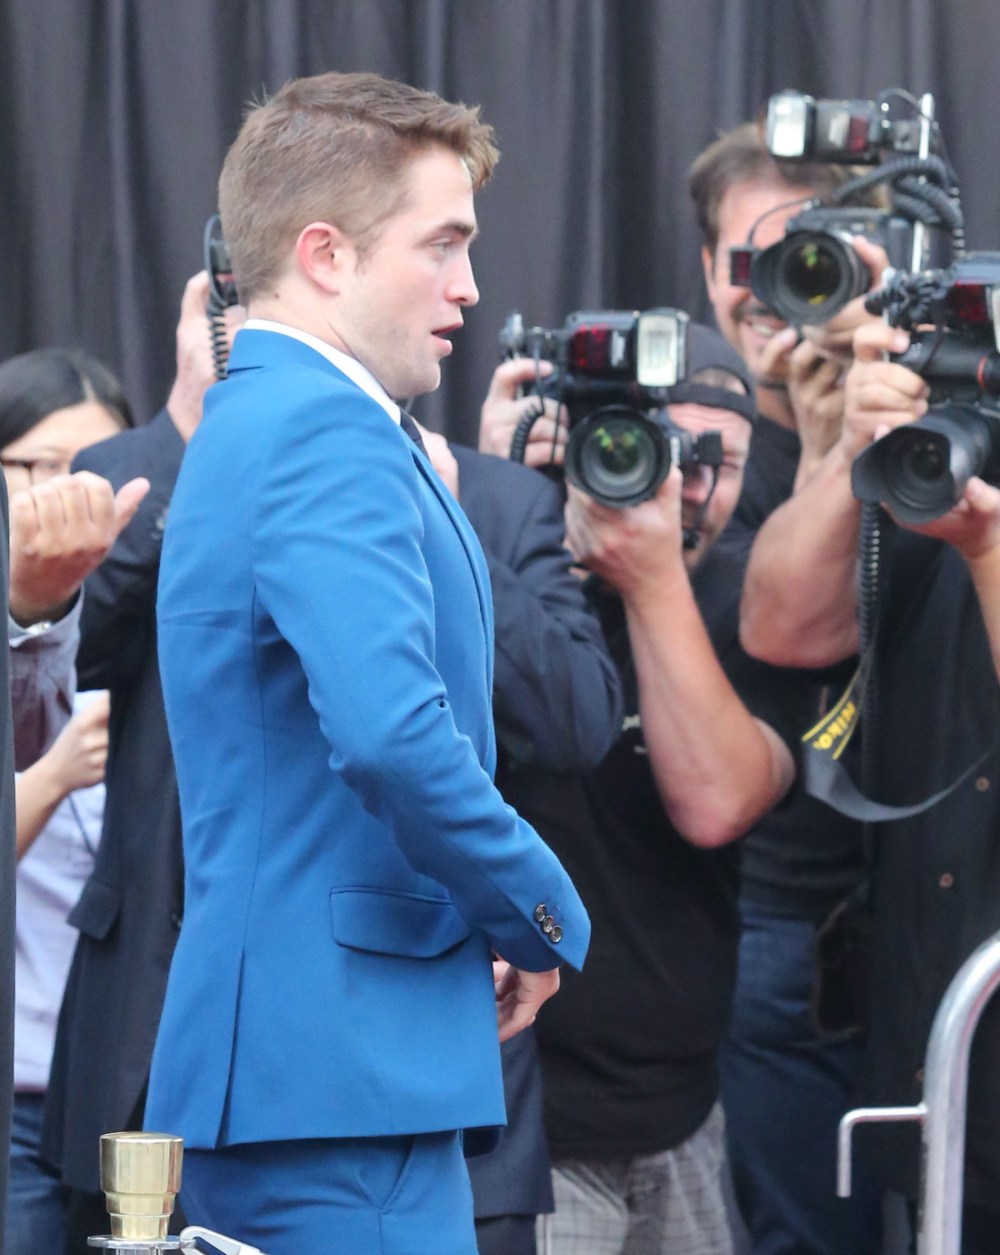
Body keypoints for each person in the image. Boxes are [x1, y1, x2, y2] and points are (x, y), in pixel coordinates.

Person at [143, 71, 589, 1255]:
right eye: (441, 244)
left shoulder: (281, 415)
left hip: (324, 1071)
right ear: (326, 254)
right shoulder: (319, 427)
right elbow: (391, 735)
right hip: (335, 1078)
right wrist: (538, 910)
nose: (469, 284)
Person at [480, 323, 800, 1254]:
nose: (686, 484)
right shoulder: (520, 571)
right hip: (531, 1117)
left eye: (719, 462)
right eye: (659, 447)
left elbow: (718, 802)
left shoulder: (760, 598)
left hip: (685, 1112)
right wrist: (490, 491)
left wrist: (653, 577)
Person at [739, 318, 1000, 1253]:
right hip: (937, 1041)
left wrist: (987, 552)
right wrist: (858, 446)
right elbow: (780, 627)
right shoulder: (953, 455)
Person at [686, 123, 884, 1254]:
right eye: (743, 259)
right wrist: (832, 455)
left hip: (922, 907)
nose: (773, 288)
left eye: (807, 254)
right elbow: (788, 628)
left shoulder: (923, 408)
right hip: (773, 919)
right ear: (704, 270)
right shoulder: (693, 449)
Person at [41, 270, 242, 1253]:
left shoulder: (375, 457)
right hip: (143, 999)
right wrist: (193, 423)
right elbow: (70, 650)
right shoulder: (128, 464)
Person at [416, 427, 621, 1254]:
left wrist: (443, 523)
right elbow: (386, 745)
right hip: (254, 1055)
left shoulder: (500, 497)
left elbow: (580, 719)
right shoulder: (212, 474)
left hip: (469, 1062)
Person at [0, 348, 133, 1255]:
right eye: (43, 465)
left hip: (129, 1088)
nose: (70, 494)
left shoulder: (154, 613)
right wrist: (51, 775)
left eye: (96, 468)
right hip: (20, 1090)